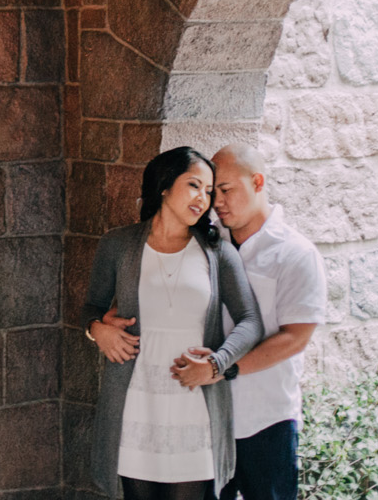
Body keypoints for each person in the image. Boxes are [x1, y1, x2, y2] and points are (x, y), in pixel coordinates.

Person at [82, 147, 264, 500]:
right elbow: (91, 306)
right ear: (165, 186)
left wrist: (216, 363)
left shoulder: (217, 253)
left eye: (209, 191)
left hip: (194, 404)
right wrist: (97, 330)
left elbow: (250, 320)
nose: (203, 198)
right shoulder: (118, 245)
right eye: (194, 185)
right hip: (136, 403)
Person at [175, 143, 327, 500]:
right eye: (213, 193)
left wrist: (221, 368)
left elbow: (295, 338)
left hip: (266, 416)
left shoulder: (296, 253)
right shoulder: (204, 243)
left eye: (226, 190)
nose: (218, 203)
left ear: (257, 181)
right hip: (205, 412)